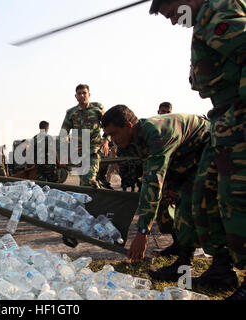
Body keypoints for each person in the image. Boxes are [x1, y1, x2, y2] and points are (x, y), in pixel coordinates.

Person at [150, 0, 246, 298]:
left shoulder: (218, 10)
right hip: (224, 120)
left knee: (237, 200)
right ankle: (218, 269)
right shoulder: (205, 19)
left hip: (239, 118)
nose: (171, 21)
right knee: (201, 196)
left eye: (170, 13)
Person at [101, 105, 210, 282]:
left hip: (205, 145)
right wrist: (167, 186)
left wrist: (142, 233)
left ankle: (193, 265)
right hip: (182, 155)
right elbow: (150, 171)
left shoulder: (156, 135)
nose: (112, 139)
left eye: (114, 134)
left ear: (128, 126)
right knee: (165, 202)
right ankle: (180, 248)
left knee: (189, 202)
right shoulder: (134, 138)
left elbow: (152, 183)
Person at [60, 84, 104, 188]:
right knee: (84, 181)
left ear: (89, 94)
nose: (82, 95)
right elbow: (64, 132)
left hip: (94, 149)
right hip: (78, 152)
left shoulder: (97, 108)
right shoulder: (71, 112)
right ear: (76, 96)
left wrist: (106, 140)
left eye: (84, 93)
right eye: (79, 93)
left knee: (88, 179)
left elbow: (109, 125)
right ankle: (93, 199)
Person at [155, 101, 178, 257]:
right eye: (162, 111)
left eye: (168, 111)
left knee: (178, 211)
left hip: (176, 174)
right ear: (158, 112)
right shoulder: (155, 130)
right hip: (163, 175)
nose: (165, 114)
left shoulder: (176, 129)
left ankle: (182, 246)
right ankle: (177, 244)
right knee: (165, 212)